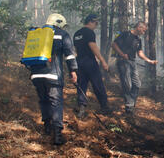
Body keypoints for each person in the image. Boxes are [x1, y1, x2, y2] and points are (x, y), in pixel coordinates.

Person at [30, 13, 78, 145]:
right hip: (52, 74)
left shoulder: (37, 33)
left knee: (44, 100)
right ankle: (57, 135)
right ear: (59, 23)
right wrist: (73, 71)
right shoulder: (62, 34)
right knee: (55, 102)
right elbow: (69, 55)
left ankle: (46, 128)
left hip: (36, 75)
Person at [112, 21, 157, 113]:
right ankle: (129, 107)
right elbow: (114, 44)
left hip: (132, 62)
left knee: (137, 84)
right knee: (127, 84)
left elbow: (139, 53)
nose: (143, 33)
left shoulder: (138, 40)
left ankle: (130, 104)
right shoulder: (125, 34)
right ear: (139, 27)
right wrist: (122, 54)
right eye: (143, 30)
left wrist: (149, 60)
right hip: (123, 62)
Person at [73, 14, 111, 118]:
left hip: (79, 61)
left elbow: (76, 49)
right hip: (89, 61)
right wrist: (103, 61)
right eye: (96, 23)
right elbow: (93, 47)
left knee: (82, 84)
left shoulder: (77, 33)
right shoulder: (89, 32)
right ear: (90, 22)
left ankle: (81, 107)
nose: (96, 25)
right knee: (97, 83)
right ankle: (104, 107)